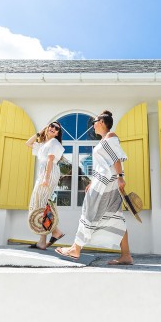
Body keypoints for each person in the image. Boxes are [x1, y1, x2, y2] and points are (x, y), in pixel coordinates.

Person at [55, 110, 133, 265]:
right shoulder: (104, 140)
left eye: (94, 122)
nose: (93, 125)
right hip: (103, 182)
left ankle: (75, 248)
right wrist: (92, 181)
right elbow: (103, 164)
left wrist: (120, 177)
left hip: (106, 184)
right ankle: (126, 255)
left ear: (102, 123)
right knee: (114, 216)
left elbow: (116, 158)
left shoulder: (110, 137)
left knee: (89, 212)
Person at [26, 121, 65, 250]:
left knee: (42, 205)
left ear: (58, 133)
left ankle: (52, 234)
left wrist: (46, 178)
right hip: (43, 174)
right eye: (51, 126)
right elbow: (28, 143)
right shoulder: (44, 144)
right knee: (40, 205)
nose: (53, 128)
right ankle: (49, 236)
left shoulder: (54, 143)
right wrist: (39, 133)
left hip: (49, 173)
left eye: (56, 128)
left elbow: (50, 160)